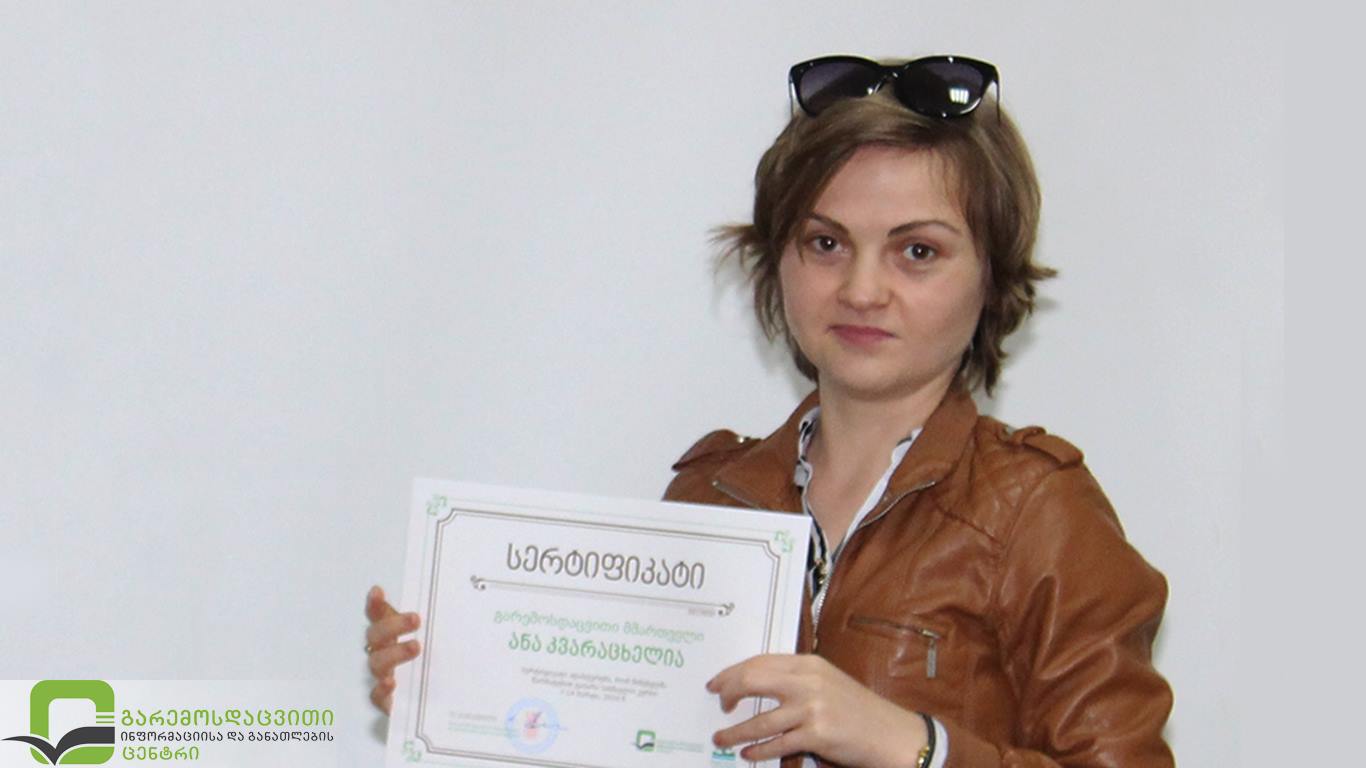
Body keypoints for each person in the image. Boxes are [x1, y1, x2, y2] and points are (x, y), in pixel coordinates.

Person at [365, 54, 1174, 768]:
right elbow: (627, 740)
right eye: (826, 243)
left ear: (991, 278)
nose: (862, 289)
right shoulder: (710, 495)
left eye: (917, 251)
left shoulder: (1037, 513)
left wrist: (915, 747)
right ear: (775, 259)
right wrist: (463, 693)